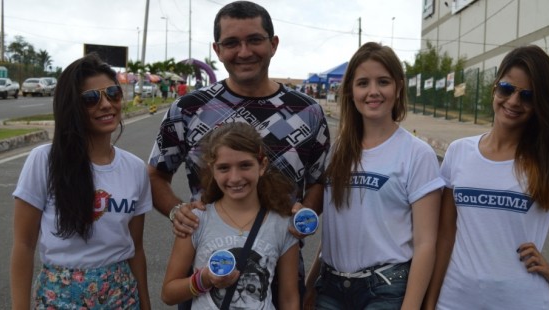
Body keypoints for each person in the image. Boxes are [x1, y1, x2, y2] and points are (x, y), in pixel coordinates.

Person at [148, 1, 330, 308]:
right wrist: (178, 211)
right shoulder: (188, 109)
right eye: (232, 43)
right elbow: (156, 175)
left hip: (279, 275)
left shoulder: (308, 112)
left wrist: (300, 220)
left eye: (255, 40)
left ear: (273, 44)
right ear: (217, 50)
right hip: (207, 277)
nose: (244, 52)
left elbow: (320, 182)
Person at [423, 45, 549, 309]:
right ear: (494, 88)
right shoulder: (459, 152)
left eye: (528, 96)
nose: (512, 102)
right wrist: (430, 301)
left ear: (539, 103)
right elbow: (445, 236)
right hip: (454, 301)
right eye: (506, 89)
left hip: (522, 301)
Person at [305, 42, 444, 309]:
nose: (373, 92)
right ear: (350, 91)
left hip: (385, 290)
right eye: (363, 83)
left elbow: (426, 243)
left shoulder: (417, 154)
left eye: (383, 82)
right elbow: (336, 232)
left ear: (398, 87)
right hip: (331, 289)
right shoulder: (337, 152)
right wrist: (311, 285)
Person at [10, 53, 152, 309]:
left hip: (121, 295)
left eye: (112, 93)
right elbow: (23, 244)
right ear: (71, 105)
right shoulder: (44, 161)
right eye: (90, 99)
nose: (106, 104)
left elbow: (136, 249)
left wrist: (145, 304)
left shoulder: (135, 168)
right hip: (60, 297)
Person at [161, 122, 300, 309]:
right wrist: (205, 279)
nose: (235, 178)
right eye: (224, 168)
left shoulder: (282, 224)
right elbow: (169, 294)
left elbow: (289, 298)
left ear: (262, 165)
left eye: (245, 165)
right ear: (212, 170)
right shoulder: (196, 220)